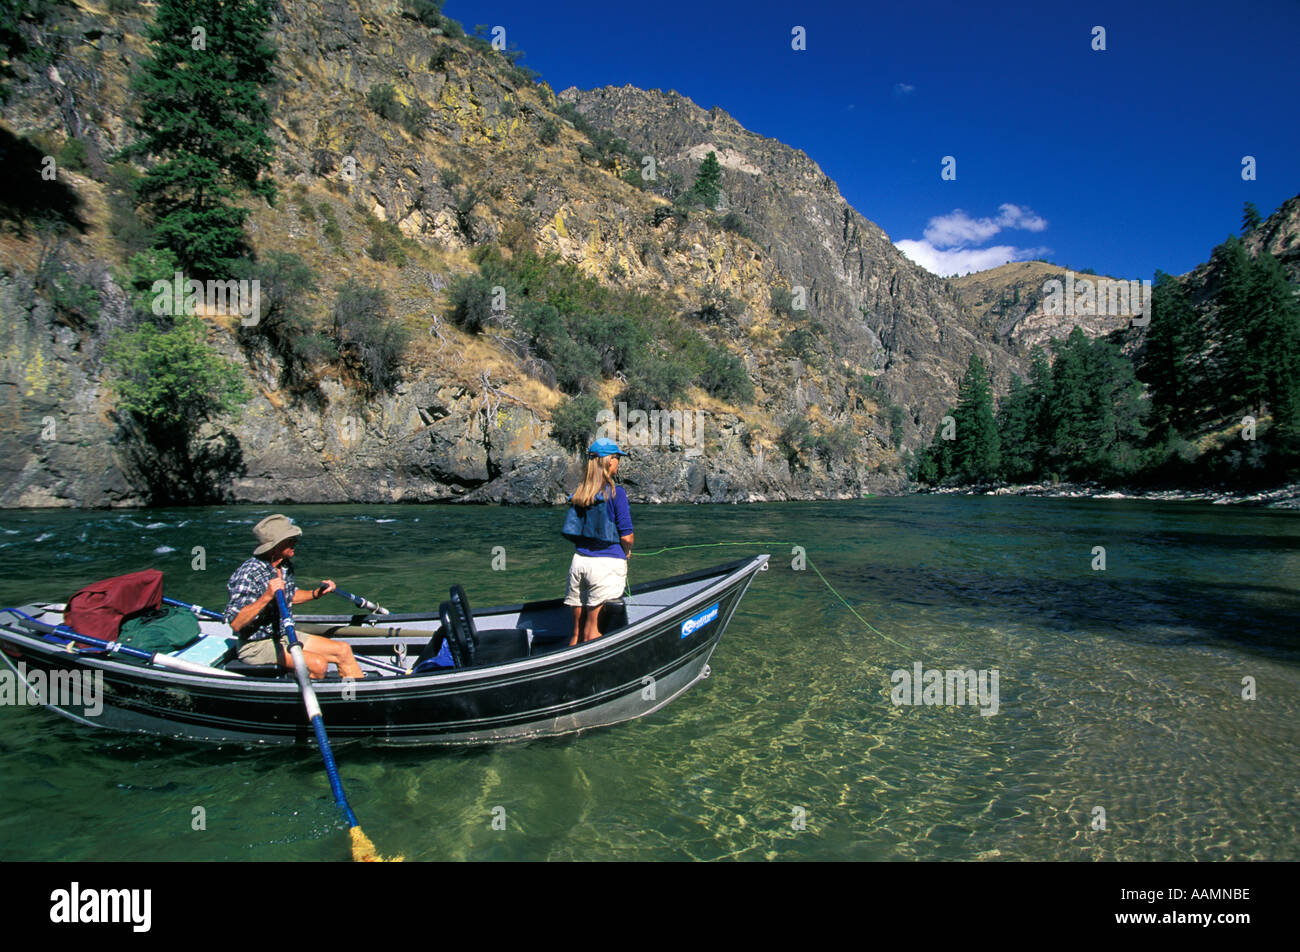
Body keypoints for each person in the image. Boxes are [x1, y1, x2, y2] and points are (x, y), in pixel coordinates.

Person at [224, 514, 364, 679]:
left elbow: (290, 596)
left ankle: (355, 698)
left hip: (282, 636)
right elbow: (235, 623)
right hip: (255, 646)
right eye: (290, 539)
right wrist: (267, 596)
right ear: (275, 545)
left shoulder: (284, 565)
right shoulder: (248, 573)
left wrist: (316, 594)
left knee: (343, 650)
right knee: (318, 665)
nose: (295, 542)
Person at [562, 438, 633, 646]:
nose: (619, 462)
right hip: (605, 565)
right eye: (617, 457)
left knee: (576, 633)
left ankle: (567, 670)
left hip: (579, 563)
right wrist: (627, 551)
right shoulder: (616, 493)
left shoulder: (580, 492)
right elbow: (627, 536)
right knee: (593, 631)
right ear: (609, 461)